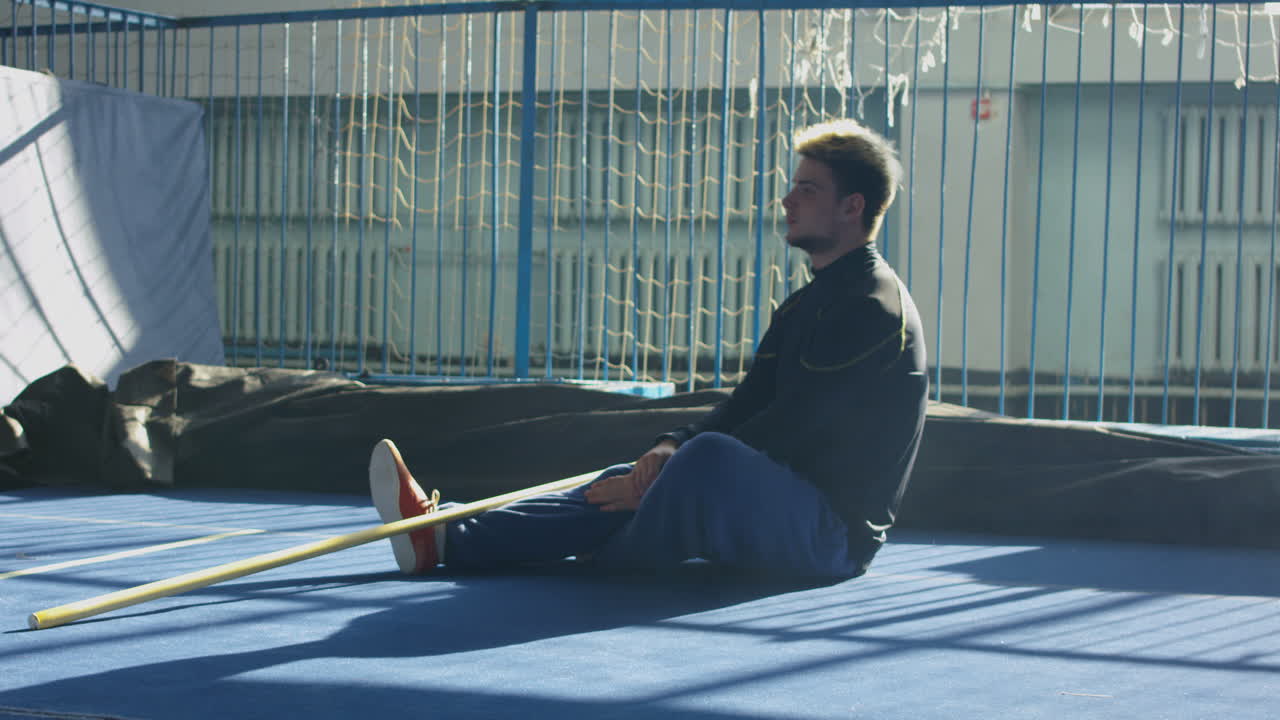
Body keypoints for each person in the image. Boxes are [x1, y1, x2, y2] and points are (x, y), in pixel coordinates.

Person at [370, 118, 928, 580]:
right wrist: (666, 447)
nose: (787, 200)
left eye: (807, 189)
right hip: (775, 499)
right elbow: (749, 402)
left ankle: (607, 553)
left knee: (702, 462)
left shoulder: (872, 309)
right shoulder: (811, 303)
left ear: (852, 207)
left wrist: (680, 468)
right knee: (640, 469)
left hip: (829, 537)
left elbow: (794, 428)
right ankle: (445, 536)